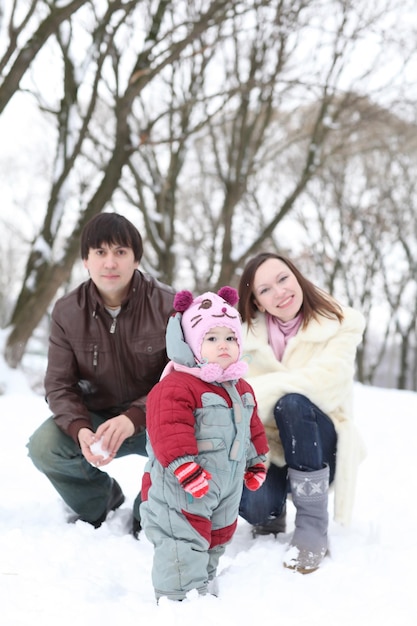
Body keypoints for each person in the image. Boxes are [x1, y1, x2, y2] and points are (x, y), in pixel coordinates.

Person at [27, 213, 175, 535]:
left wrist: (135, 416)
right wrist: (80, 428)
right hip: (98, 418)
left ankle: (147, 513)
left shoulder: (168, 305)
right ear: (85, 260)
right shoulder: (67, 311)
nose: (110, 262)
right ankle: (99, 502)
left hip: (156, 417)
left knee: (193, 440)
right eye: (100, 252)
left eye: (120, 252)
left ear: (136, 259)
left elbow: (181, 377)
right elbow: (59, 384)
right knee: (44, 446)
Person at [237, 252, 366, 574]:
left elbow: (326, 385)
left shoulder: (340, 322)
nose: (279, 292)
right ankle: (273, 509)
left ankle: (312, 522)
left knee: (293, 402)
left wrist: (255, 392)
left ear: (297, 277)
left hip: (321, 443)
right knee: (256, 508)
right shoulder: (239, 336)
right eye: (265, 289)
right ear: (256, 301)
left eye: (283, 279)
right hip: (268, 445)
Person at [140, 286, 269, 601]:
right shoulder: (177, 385)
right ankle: (179, 600)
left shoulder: (241, 387)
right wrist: (185, 467)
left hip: (225, 485)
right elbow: (169, 428)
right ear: (191, 345)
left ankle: (204, 588)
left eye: (230, 338)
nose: (223, 345)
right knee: (182, 541)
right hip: (182, 486)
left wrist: (256, 460)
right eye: (211, 339)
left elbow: (251, 427)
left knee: (218, 536)